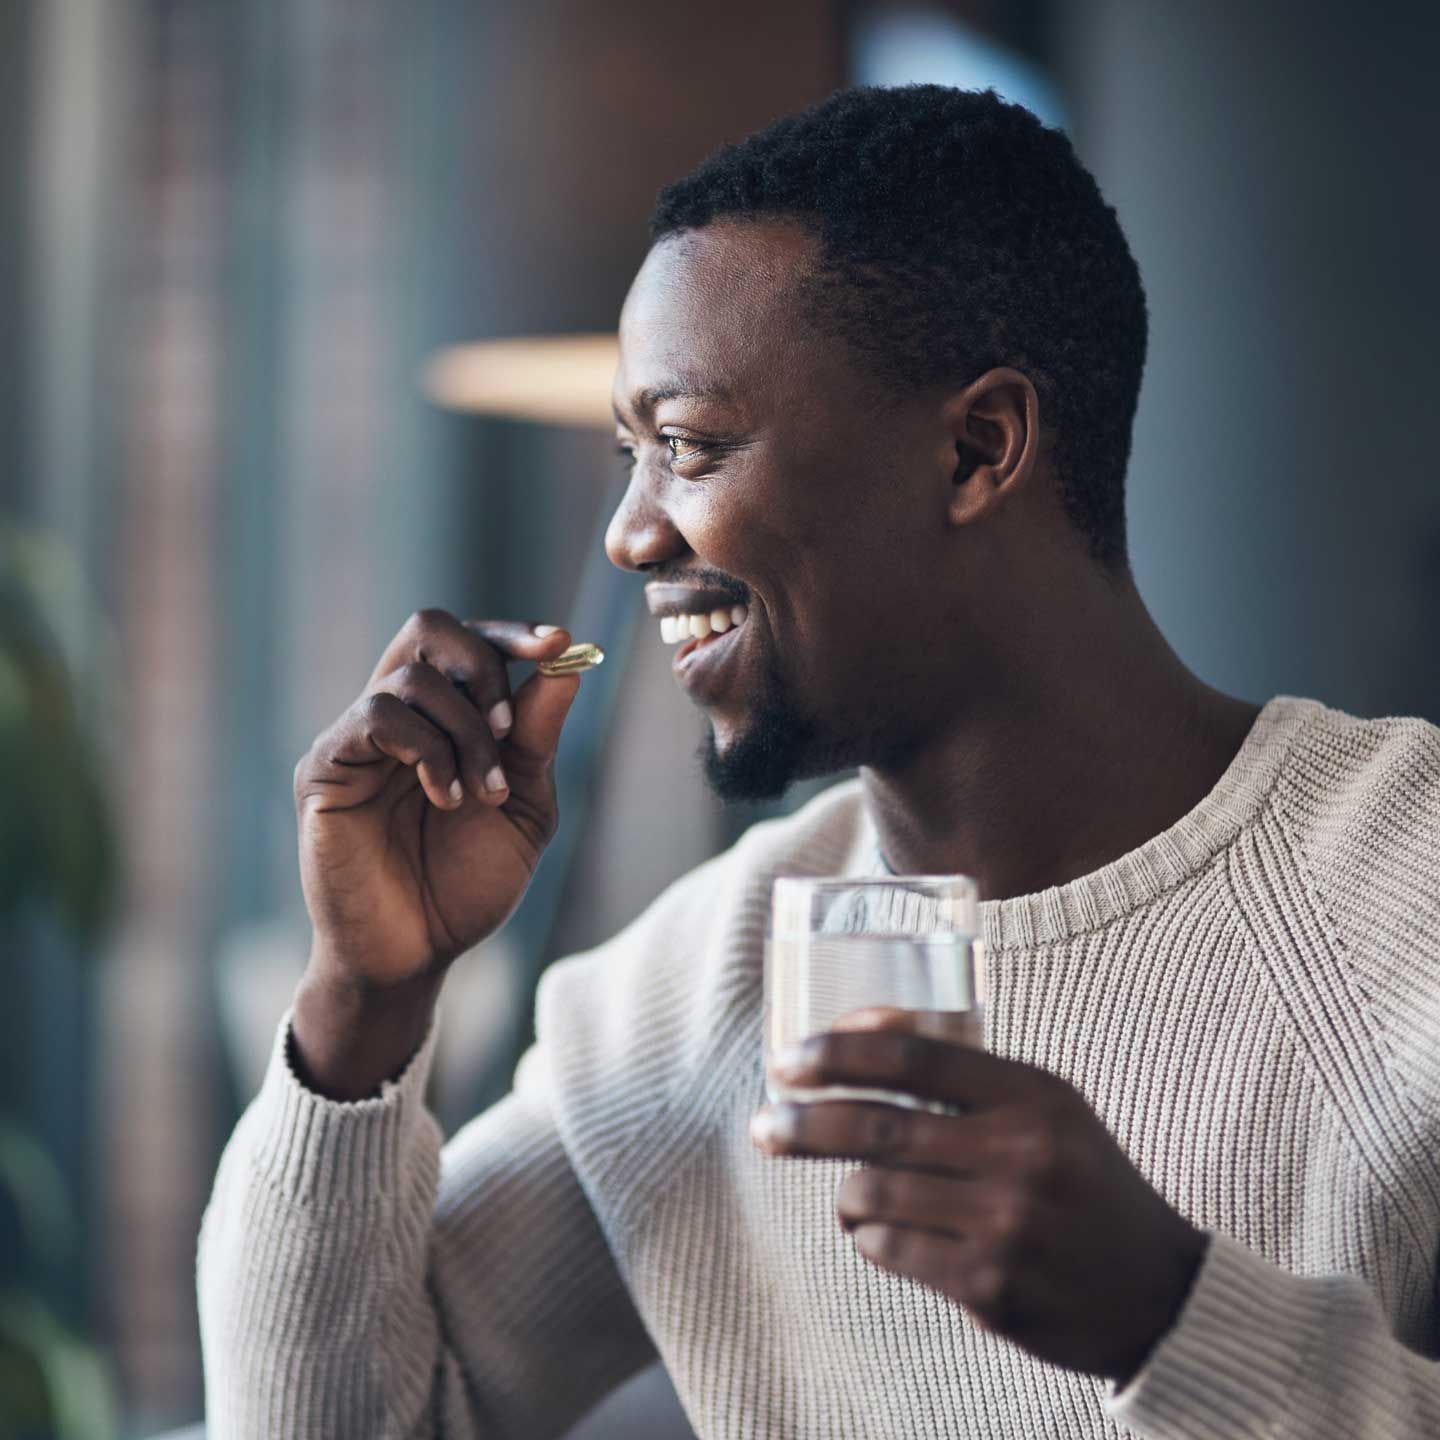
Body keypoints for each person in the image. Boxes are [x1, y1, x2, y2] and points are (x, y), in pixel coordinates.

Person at [197, 85, 1440, 1438]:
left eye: (686, 446)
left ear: (978, 450)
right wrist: (364, 999)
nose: (628, 535)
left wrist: (1173, 1315)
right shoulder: (683, 1004)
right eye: (629, 458)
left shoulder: (1407, 897)